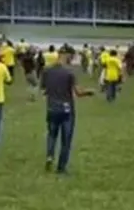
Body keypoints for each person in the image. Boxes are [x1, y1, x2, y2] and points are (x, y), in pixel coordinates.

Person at [40, 46, 93, 174]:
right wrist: (89, 92)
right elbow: (78, 92)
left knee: (52, 135)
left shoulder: (47, 71)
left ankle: (49, 156)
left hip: (52, 107)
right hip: (66, 109)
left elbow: (43, 89)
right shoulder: (69, 73)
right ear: (67, 55)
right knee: (66, 139)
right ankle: (61, 167)